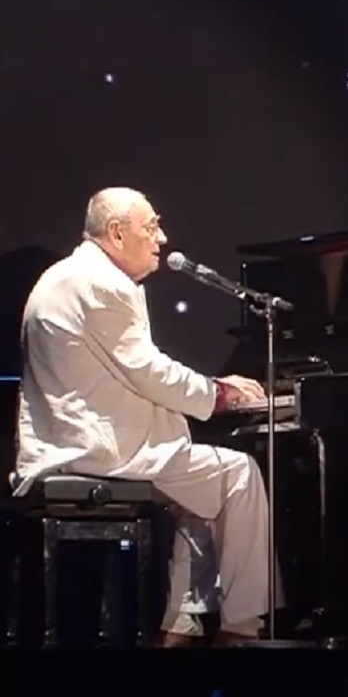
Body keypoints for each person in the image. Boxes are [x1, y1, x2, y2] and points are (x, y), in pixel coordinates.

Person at [13, 185, 272, 647]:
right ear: (116, 233)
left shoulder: (64, 275)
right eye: (151, 226)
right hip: (100, 451)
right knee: (239, 474)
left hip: (67, 442)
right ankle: (242, 628)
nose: (162, 238)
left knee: (198, 487)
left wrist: (210, 391)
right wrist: (220, 394)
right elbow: (149, 371)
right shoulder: (105, 284)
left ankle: (180, 625)